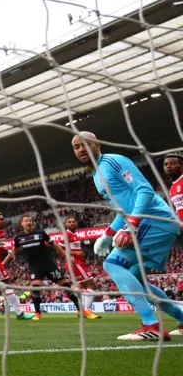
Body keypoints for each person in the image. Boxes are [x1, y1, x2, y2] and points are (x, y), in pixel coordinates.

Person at [73, 132, 183, 340]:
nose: (80, 150)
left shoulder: (113, 161)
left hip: (154, 220)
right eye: (76, 147)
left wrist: (133, 223)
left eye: (84, 144)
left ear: (96, 144)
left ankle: (151, 325)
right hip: (156, 223)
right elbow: (122, 209)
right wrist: (108, 233)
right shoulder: (97, 175)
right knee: (138, 281)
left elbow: (144, 190)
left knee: (112, 265)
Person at [3, 215, 81, 320]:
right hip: (35, 267)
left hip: (48, 264)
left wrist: (65, 256)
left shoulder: (41, 233)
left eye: (30, 220)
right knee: (36, 287)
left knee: (65, 285)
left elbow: (54, 245)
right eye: (26, 221)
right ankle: (38, 314)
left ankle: (80, 310)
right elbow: (13, 251)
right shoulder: (19, 238)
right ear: (21, 224)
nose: (29, 222)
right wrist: (4, 263)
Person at [55, 216, 102, 320]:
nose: (72, 223)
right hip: (74, 262)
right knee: (92, 285)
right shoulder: (66, 235)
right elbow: (59, 248)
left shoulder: (74, 235)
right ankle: (86, 311)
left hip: (78, 262)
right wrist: (75, 252)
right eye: (69, 222)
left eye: (73, 221)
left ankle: (81, 311)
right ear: (66, 224)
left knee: (82, 288)